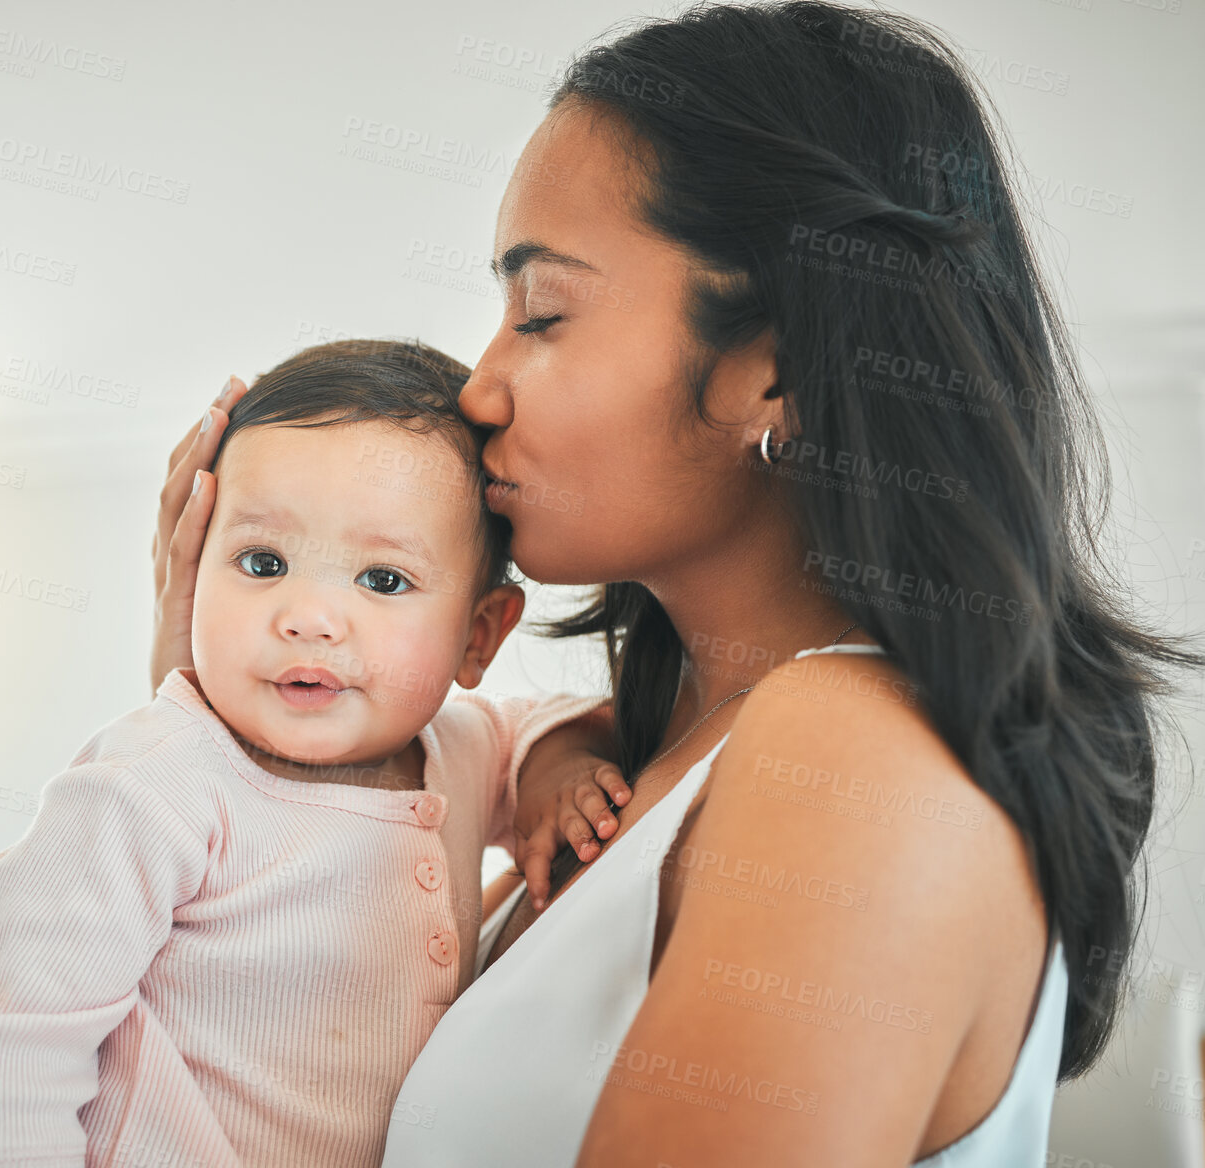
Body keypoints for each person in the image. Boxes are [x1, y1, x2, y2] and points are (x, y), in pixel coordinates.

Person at [151, 5, 1205, 1165]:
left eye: (542, 312)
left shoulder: (852, 760)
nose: (480, 388)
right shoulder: (618, 759)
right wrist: (192, 693)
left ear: (776, 370)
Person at [0, 338, 620, 1168]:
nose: (308, 616)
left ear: (478, 633)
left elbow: (546, 724)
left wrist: (560, 768)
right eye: (263, 562)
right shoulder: (154, 783)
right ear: (189, 573)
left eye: (382, 580)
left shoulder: (460, 750)